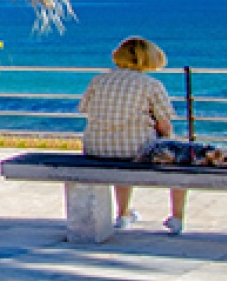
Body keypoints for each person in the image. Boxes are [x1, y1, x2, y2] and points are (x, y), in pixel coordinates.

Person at [79, 36, 187, 234]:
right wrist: (169, 139)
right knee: (181, 160)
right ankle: (177, 218)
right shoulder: (151, 85)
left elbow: (85, 108)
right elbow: (164, 124)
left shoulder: (99, 80)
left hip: (96, 147)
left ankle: (123, 214)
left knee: (122, 150)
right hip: (135, 149)